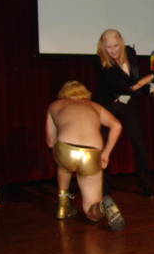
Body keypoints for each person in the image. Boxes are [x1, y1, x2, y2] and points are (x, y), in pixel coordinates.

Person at [45, 80, 125, 232]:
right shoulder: (95, 106)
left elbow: (50, 142)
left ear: (63, 94)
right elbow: (117, 125)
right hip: (91, 154)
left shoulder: (55, 105)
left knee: (63, 163)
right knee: (92, 214)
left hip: (65, 151)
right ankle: (102, 206)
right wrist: (106, 153)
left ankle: (63, 205)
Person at [95, 29, 154, 198]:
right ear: (103, 47)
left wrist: (153, 84)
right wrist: (151, 77)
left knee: (139, 144)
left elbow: (133, 80)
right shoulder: (100, 61)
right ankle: (104, 191)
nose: (113, 50)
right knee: (103, 147)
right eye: (108, 47)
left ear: (121, 42)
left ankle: (146, 185)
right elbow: (126, 87)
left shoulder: (130, 52)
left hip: (127, 103)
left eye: (116, 46)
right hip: (107, 105)